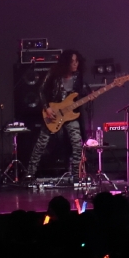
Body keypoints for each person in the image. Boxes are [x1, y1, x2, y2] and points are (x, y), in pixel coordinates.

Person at [26, 49, 89, 179]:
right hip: (54, 113)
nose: (75, 64)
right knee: (41, 145)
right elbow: (41, 90)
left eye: (77, 61)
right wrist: (47, 108)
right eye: (72, 61)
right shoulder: (54, 72)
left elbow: (79, 94)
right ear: (66, 62)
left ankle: (76, 176)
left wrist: (88, 95)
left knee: (77, 145)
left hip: (71, 115)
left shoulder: (78, 76)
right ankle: (29, 174)